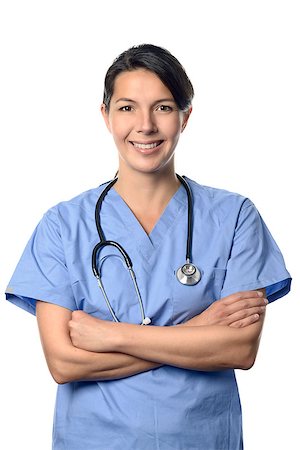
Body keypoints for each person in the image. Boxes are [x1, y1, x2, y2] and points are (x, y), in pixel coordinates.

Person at [5, 44, 291, 450]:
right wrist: (197, 331)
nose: (145, 125)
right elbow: (64, 363)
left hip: (202, 440)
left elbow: (240, 348)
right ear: (105, 116)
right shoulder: (62, 226)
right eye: (126, 108)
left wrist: (109, 335)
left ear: (185, 117)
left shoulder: (235, 217)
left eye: (163, 107)